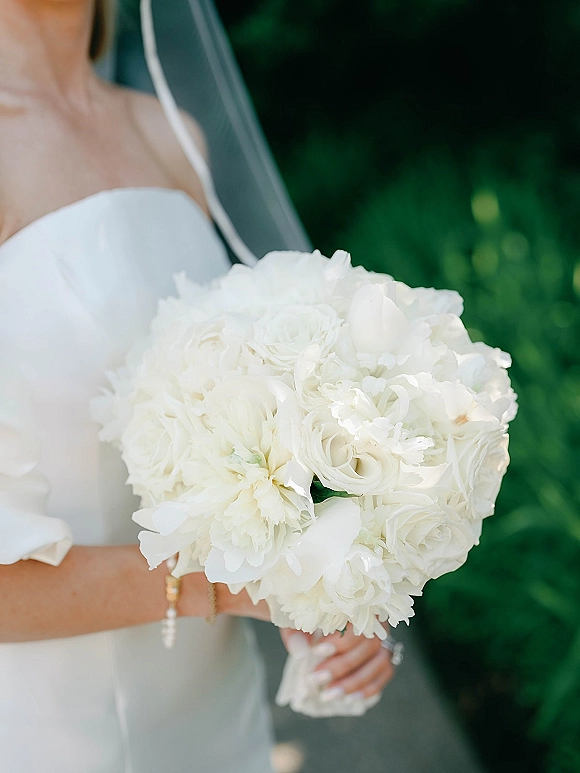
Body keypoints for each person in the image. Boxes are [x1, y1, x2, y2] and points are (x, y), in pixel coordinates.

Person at [0, 1, 395, 771]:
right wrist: (235, 582)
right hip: (51, 734)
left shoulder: (171, 133)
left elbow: (246, 432)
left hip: (217, 716)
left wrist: (322, 592)